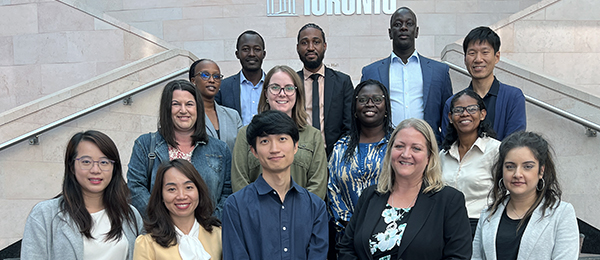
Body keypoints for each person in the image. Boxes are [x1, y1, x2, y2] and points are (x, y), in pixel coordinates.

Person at [338, 118, 472, 260]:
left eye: (416, 148)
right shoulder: (370, 195)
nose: (406, 154)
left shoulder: (449, 201)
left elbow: (458, 257)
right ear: (390, 152)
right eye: (399, 146)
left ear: (429, 157)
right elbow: (346, 247)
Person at [222, 110, 328, 260]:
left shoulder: (315, 207)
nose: (274, 149)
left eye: (282, 139)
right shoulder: (236, 206)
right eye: (265, 141)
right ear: (254, 151)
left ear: (295, 146)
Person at [21, 130, 144, 260]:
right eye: (86, 162)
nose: (95, 170)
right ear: (72, 167)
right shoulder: (45, 214)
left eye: (104, 162)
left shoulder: (130, 215)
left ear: (114, 168)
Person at [127, 79, 231, 219]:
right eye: (176, 104)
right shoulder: (145, 145)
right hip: (160, 233)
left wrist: (207, 224)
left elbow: (228, 192)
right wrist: (164, 221)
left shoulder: (220, 149)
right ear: (167, 109)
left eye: (189, 104)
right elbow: (135, 188)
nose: (183, 110)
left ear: (198, 109)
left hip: (207, 233)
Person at [472, 132, 579, 260]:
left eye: (527, 167)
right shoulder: (488, 214)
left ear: (541, 171)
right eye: (510, 167)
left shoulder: (561, 213)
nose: (517, 174)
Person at [231, 65, 327, 199]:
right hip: (255, 215)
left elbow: (318, 185)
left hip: (301, 216)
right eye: (275, 87)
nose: (282, 93)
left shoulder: (313, 136)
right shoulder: (245, 134)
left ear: (297, 93)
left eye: (289, 88)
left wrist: (297, 211)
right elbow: (239, 180)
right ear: (266, 93)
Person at [361, 7, 453, 144]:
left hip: (429, 149)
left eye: (409, 24)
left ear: (416, 32)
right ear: (390, 33)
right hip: (384, 148)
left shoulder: (439, 71)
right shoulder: (371, 72)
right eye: (398, 24)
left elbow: (448, 116)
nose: (403, 28)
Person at [328, 79, 394, 233]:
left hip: (389, 234)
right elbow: (331, 188)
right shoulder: (341, 147)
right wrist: (350, 223)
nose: (370, 104)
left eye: (377, 99)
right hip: (348, 234)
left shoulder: (397, 145)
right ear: (354, 108)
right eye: (363, 100)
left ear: (386, 108)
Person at [441, 26, 526, 140]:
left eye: (485, 52)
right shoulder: (452, 103)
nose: (478, 59)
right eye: (472, 53)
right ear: (465, 59)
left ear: (496, 57)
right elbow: (447, 145)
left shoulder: (513, 97)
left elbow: (514, 143)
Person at [439, 89, 500, 236]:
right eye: (458, 110)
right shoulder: (444, 155)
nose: (465, 114)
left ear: (482, 114)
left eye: (472, 109)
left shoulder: (496, 150)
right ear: (451, 117)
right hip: (445, 227)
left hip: (481, 226)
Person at [133, 159, 222, 260]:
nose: (181, 196)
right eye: (172, 189)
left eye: (188, 187)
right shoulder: (147, 244)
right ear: (161, 195)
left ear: (199, 191)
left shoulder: (219, 235)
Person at [296, 23, 354, 157]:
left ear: (324, 46)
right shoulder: (291, 82)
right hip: (298, 158)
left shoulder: (342, 82)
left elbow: (349, 126)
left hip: (334, 158)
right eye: (305, 43)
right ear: (298, 48)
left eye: (316, 42)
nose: (310, 47)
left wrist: (338, 157)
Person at [189, 59, 243, 152]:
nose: (212, 80)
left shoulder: (233, 116)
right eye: (205, 75)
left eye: (216, 76)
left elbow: (242, 150)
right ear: (193, 81)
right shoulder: (187, 114)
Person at [216, 30, 267, 125]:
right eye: (245, 49)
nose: (251, 54)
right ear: (237, 54)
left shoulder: (274, 85)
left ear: (263, 54)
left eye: (257, 49)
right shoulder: (223, 88)